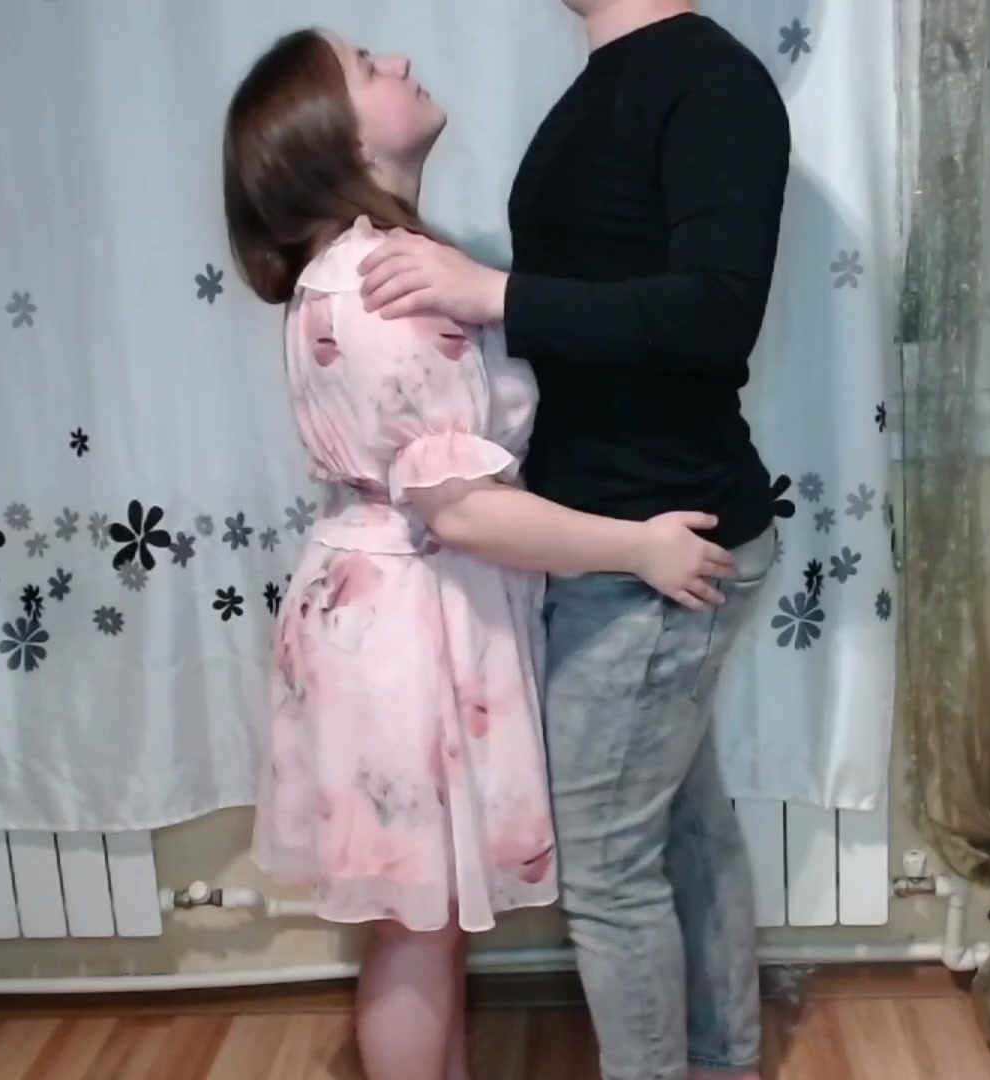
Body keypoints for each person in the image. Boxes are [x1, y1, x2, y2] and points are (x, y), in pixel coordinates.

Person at [223, 27, 740, 1080]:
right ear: (335, 137)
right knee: (418, 931)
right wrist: (639, 547)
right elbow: (461, 511)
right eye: (366, 66)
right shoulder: (379, 292)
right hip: (406, 632)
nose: (398, 63)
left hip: (403, 616)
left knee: (430, 924)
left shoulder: (380, 269)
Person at [355, 2, 789, 1077]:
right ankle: (722, 1059)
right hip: (621, 536)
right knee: (682, 830)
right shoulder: (609, 84)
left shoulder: (710, 81)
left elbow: (716, 313)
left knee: (607, 867)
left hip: (662, 539)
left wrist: (493, 293)